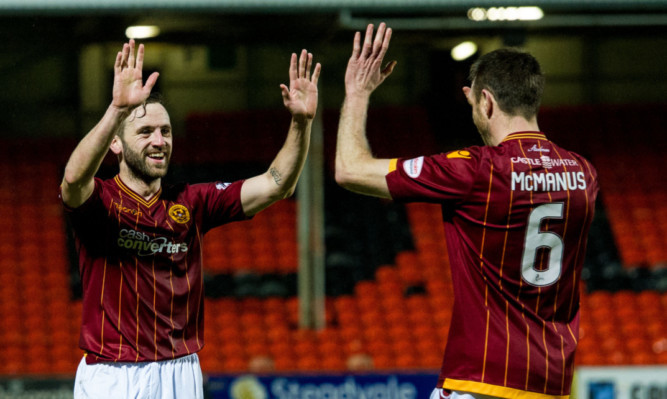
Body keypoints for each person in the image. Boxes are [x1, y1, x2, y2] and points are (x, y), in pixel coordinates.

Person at [335, 23, 598, 399]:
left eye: (473, 104)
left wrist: (357, 93)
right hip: (551, 382)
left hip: (482, 378)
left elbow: (349, 170)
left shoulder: (476, 170)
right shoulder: (583, 172)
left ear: (486, 101)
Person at [61, 39, 320, 399]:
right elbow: (73, 180)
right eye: (145, 131)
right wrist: (117, 110)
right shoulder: (100, 200)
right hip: (112, 372)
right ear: (116, 145)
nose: (159, 140)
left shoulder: (192, 202)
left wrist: (301, 122)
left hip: (181, 370)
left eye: (165, 131)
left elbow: (277, 185)